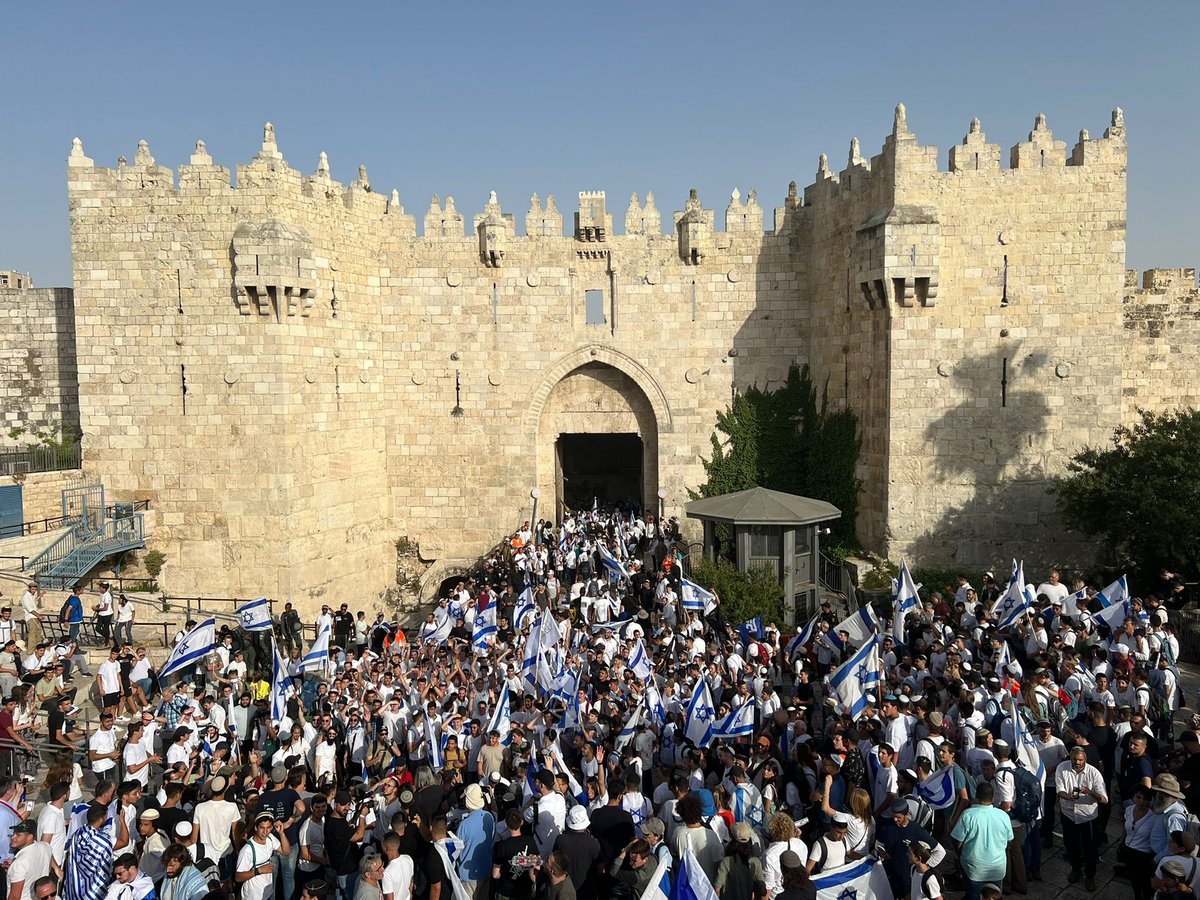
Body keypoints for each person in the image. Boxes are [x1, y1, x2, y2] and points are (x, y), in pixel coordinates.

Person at [1056, 745, 1108, 889]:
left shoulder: (1094, 773)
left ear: (1085, 759)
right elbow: (1059, 790)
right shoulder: (1062, 768)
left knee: (1090, 847)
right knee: (1070, 844)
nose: (1077, 762)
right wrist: (1069, 797)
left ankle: (1090, 876)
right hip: (1068, 814)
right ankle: (1076, 869)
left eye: (1080, 760)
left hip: (1087, 816)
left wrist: (1091, 792)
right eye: (1074, 759)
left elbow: (1104, 799)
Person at [950, 784, 1013, 900]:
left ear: (976, 797)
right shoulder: (1003, 816)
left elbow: (957, 841)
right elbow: (1009, 842)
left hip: (974, 869)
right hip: (997, 869)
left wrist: (959, 853)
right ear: (993, 798)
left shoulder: (968, 815)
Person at [64, 804, 113, 900]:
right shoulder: (103, 840)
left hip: (75, 886)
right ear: (100, 820)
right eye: (106, 816)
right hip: (93, 891)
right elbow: (105, 867)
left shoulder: (77, 833)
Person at [457, 784, 494, 900]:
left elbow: (457, 849)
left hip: (468, 875)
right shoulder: (489, 817)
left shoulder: (464, 825)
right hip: (486, 869)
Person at [9, 820, 54, 900]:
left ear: (30, 837)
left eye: (18, 835)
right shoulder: (46, 847)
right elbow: (48, 869)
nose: (13, 837)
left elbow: (15, 897)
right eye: (13, 833)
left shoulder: (19, 863)